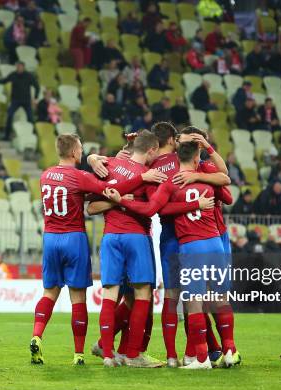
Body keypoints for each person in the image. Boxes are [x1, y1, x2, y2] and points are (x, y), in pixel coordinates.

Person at [30, 133, 165, 366]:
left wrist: (95, 158)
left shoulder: (45, 175)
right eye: (81, 149)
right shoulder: (80, 176)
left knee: (51, 292)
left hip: (52, 237)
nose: (83, 153)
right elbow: (112, 191)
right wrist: (138, 180)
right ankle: (80, 354)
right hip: (77, 238)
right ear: (74, 152)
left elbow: (95, 200)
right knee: (81, 297)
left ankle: (38, 335)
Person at [104, 136, 238, 369]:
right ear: (196, 158)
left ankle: (193, 357)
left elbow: (151, 209)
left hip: (186, 244)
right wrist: (202, 182)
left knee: (184, 300)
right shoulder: (208, 178)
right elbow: (227, 192)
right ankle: (227, 351)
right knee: (217, 299)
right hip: (215, 242)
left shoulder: (168, 180)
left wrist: (121, 201)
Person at [0, 62, 39, 139]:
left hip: (26, 101)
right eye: (17, 67)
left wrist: (35, 98)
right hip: (15, 100)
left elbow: (37, 86)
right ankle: (6, 136)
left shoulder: (29, 76)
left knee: (30, 118)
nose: (19, 68)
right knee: (9, 115)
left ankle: (35, 135)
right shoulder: (13, 75)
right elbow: (4, 81)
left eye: (20, 67)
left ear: (23, 67)